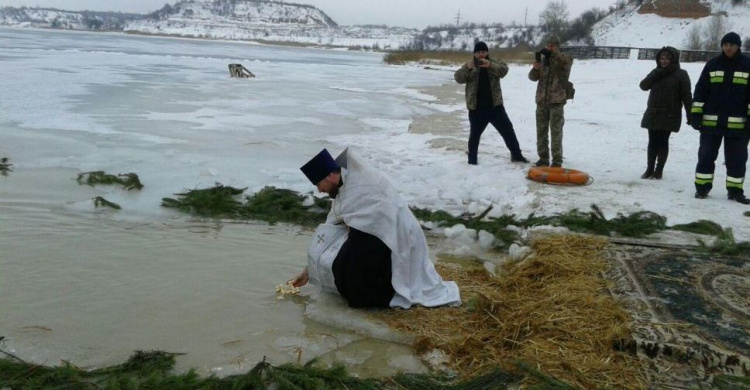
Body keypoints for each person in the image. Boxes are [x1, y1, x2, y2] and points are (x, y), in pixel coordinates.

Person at [292, 148, 461, 309]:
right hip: (376, 238)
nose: (319, 190)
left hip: (397, 241)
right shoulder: (344, 187)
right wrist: (308, 271)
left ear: (330, 176)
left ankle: (379, 293)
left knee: (350, 259)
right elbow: (330, 228)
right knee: (342, 258)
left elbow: (378, 225)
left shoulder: (363, 185)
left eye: (319, 184)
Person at [690, 32, 750, 204]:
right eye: (726, 44)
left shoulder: (747, 65)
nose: (729, 47)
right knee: (706, 156)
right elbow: (701, 90)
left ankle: (735, 191)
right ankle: (702, 188)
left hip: (738, 126)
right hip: (711, 123)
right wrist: (695, 114)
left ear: (738, 46)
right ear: (722, 46)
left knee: (737, 160)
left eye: (732, 44)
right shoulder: (712, 64)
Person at [454, 41, 529, 165]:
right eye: (478, 52)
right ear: (474, 54)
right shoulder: (470, 66)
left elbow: (504, 70)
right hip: (476, 108)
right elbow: (458, 78)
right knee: (474, 136)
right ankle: (472, 160)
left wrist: (490, 65)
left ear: (487, 52)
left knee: (508, 131)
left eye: (483, 52)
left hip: (495, 107)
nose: (481, 55)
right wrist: (468, 68)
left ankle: (516, 155)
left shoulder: (494, 63)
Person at [638, 46, 692, 179]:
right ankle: (649, 169)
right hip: (653, 113)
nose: (664, 61)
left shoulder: (681, 74)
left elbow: (686, 96)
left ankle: (659, 170)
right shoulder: (656, 72)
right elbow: (643, 86)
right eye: (662, 58)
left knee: (662, 142)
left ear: (673, 59)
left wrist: (691, 114)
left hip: (669, 114)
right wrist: (657, 73)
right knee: (652, 142)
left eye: (668, 58)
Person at [528, 34, 573, 168]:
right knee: (541, 130)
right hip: (542, 101)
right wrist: (536, 68)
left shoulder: (564, 58)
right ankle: (543, 158)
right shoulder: (544, 61)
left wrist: (552, 54)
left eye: (552, 46)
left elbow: (565, 61)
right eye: (548, 45)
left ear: (557, 47)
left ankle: (557, 160)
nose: (549, 48)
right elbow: (532, 77)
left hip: (556, 101)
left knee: (556, 131)